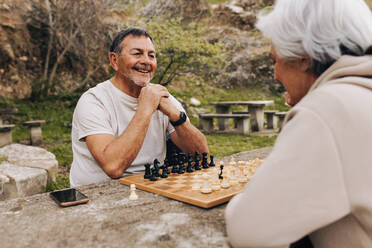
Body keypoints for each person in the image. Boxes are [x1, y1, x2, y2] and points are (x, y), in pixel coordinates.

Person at [225, 0, 372, 247]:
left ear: (303, 56)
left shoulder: (329, 107)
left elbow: (249, 230)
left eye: (276, 60)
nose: (275, 74)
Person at [70, 27, 209, 187]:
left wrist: (176, 116)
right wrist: (145, 109)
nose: (146, 61)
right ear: (114, 60)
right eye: (137, 54)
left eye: (151, 55)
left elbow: (201, 156)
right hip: (96, 195)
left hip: (150, 187)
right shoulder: (93, 101)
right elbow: (113, 167)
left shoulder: (162, 96)